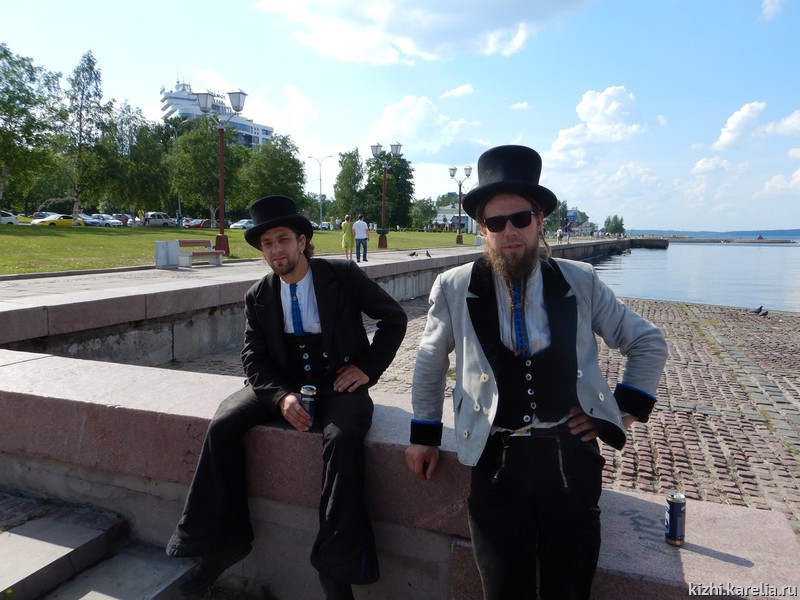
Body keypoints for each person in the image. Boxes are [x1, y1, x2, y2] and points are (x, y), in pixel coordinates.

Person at [404, 145, 667, 600]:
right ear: (482, 228)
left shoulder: (579, 280)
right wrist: (424, 435)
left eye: (520, 218)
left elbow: (647, 341)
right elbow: (429, 361)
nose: (509, 231)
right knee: (504, 590)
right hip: (495, 461)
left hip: (570, 461)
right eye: (496, 223)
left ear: (539, 220)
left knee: (570, 588)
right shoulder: (455, 285)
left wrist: (619, 411)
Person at [167, 195, 408, 598]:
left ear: (301, 241)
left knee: (343, 439)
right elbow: (253, 357)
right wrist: (280, 398)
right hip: (283, 383)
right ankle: (221, 546)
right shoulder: (258, 295)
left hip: (338, 383)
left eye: (282, 240)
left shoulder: (342, 276)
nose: (276, 250)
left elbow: (394, 318)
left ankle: (335, 571)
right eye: (267, 244)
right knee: (223, 425)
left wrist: (367, 368)